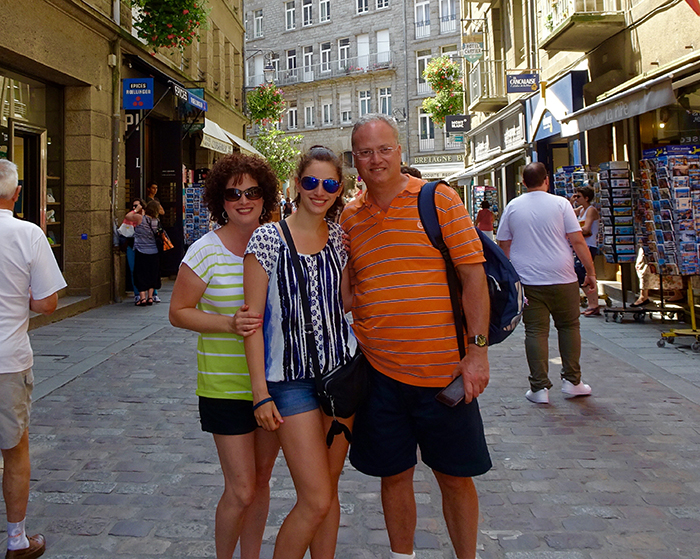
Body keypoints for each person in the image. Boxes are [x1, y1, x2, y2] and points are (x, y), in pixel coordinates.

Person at [341, 114, 492, 559]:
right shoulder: (351, 217)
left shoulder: (438, 199)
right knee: (394, 475)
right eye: (365, 152)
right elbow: (348, 290)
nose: (376, 159)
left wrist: (477, 354)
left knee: (454, 477)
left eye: (384, 149)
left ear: (400, 151)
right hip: (380, 376)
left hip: (445, 372)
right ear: (355, 160)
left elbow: (473, 278)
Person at [244, 146, 355, 559]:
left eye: (328, 184)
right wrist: (261, 393)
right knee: (315, 499)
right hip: (290, 384)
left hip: (340, 377)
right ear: (296, 183)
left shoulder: (342, 240)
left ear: (338, 188)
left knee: (329, 492)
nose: (319, 190)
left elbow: (344, 305)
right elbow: (251, 322)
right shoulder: (268, 239)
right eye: (310, 182)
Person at [169, 153, 280, 559]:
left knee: (263, 481)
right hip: (223, 386)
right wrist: (228, 324)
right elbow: (178, 312)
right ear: (221, 199)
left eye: (252, 191)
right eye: (234, 193)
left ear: (264, 195)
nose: (243, 200)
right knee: (242, 487)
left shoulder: (276, 243)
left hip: (271, 385)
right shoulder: (206, 250)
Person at [0, 159, 67, 559]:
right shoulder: (28, 234)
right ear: (17, 194)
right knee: (15, 450)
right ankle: (16, 539)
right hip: (8, 360)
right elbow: (46, 303)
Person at [497, 162, 595, 405]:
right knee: (570, 326)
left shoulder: (513, 206)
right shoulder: (561, 204)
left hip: (528, 279)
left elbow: (503, 244)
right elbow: (577, 241)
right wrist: (590, 272)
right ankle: (572, 381)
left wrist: (508, 275)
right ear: (547, 180)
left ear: (523, 182)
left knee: (535, 331)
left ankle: (539, 387)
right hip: (563, 275)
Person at [571, 186, 600, 316]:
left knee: (583, 272)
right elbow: (568, 214)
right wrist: (570, 202)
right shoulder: (581, 210)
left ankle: (594, 303)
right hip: (580, 246)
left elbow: (587, 229)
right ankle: (591, 303)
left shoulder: (590, 210)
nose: (577, 198)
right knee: (579, 273)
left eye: (579, 196)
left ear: (586, 198)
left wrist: (573, 231)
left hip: (588, 246)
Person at [127, 200, 161, 306]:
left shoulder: (140, 218)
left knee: (140, 274)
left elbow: (128, 216)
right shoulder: (157, 221)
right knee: (151, 274)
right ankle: (150, 297)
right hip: (154, 251)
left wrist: (136, 210)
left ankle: (142, 298)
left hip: (141, 251)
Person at [123, 198, 144, 302]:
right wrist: (135, 211)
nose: (133, 208)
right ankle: (137, 293)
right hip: (132, 245)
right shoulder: (131, 216)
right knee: (133, 270)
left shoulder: (143, 217)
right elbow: (127, 217)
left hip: (143, 246)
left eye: (136, 206)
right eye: (133, 206)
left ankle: (150, 293)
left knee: (144, 270)